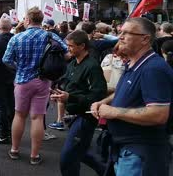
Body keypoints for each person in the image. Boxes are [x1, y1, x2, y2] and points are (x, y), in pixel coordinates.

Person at [91, 17, 173, 176]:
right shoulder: (134, 63)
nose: (120, 36)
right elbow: (127, 90)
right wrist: (104, 102)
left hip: (140, 153)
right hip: (126, 149)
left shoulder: (153, 69)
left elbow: (159, 114)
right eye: (120, 31)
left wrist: (114, 112)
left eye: (126, 33)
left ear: (145, 39)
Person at [2, 6, 67, 165]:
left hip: (23, 80)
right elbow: (66, 52)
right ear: (41, 20)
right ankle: (34, 155)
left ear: (28, 20)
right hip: (43, 80)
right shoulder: (50, 36)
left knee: (19, 115)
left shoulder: (17, 38)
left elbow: (6, 59)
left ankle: (15, 150)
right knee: (38, 117)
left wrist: (19, 67)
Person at [50, 30, 107, 176]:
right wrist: (58, 93)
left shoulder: (92, 66)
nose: (67, 49)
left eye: (71, 46)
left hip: (86, 117)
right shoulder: (73, 63)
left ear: (82, 46)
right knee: (80, 152)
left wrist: (71, 97)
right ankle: (107, 171)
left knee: (68, 157)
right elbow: (68, 85)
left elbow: (98, 95)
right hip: (75, 114)